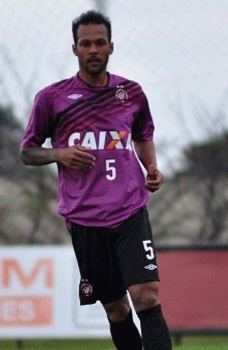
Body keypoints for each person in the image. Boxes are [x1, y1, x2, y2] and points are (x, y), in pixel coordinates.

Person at [20, 10, 172, 350]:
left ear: (111, 47)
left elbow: (142, 133)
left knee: (145, 296)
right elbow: (28, 152)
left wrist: (151, 168)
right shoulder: (53, 99)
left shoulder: (130, 93)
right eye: (85, 43)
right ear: (74, 49)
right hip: (85, 219)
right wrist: (59, 154)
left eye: (99, 43)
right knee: (117, 310)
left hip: (129, 210)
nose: (93, 49)